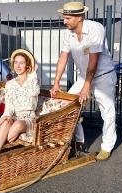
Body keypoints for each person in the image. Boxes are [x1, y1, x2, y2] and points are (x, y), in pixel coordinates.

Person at [50, 2, 117, 161]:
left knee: (107, 112)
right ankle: (79, 141)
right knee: (68, 107)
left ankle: (107, 147)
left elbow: (93, 60)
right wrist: (56, 83)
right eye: (64, 18)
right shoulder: (68, 33)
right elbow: (63, 58)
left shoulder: (95, 28)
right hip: (83, 76)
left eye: (67, 18)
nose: (64, 21)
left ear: (79, 17)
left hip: (103, 76)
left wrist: (86, 87)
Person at [0, 49, 40, 159]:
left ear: (27, 65)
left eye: (21, 63)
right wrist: (6, 115)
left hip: (28, 118)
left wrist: (33, 75)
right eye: (16, 62)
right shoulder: (10, 84)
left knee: (18, 125)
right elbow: (9, 105)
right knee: (6, 121)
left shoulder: (33, 80)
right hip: (14, 115)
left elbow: (33, 93)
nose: (18, 66)